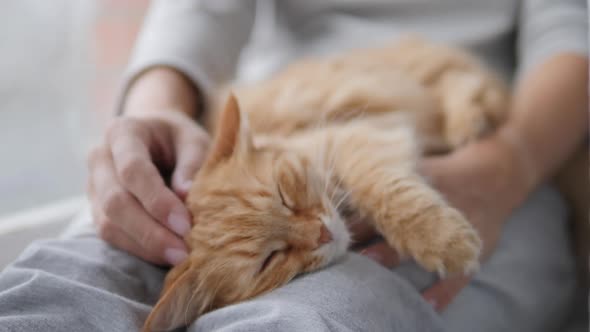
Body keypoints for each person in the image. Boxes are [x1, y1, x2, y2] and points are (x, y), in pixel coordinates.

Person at [0, 0, 587, 331]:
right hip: (264, 122)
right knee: (57, 290)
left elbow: (575, 28)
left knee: (313, 319)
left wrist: (510, 162)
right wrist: (152, 117)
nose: (314, 234)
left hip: (502, 132)